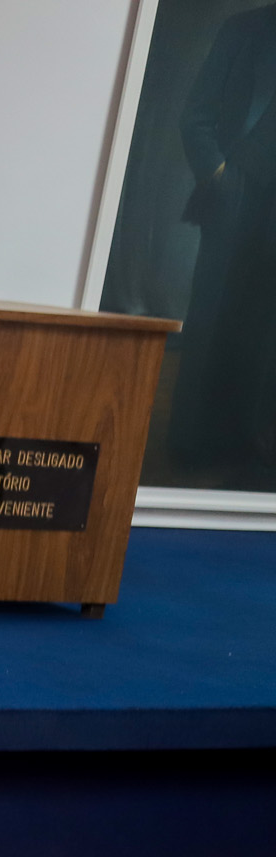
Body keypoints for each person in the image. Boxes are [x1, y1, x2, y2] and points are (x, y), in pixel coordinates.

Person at [171, 3, 276, 491]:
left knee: (267, 325)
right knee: (215, 314)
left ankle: (254, 445)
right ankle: (195, 442)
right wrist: (219, 175)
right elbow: (195, 115)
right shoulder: (244, 28)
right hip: (237, 191)